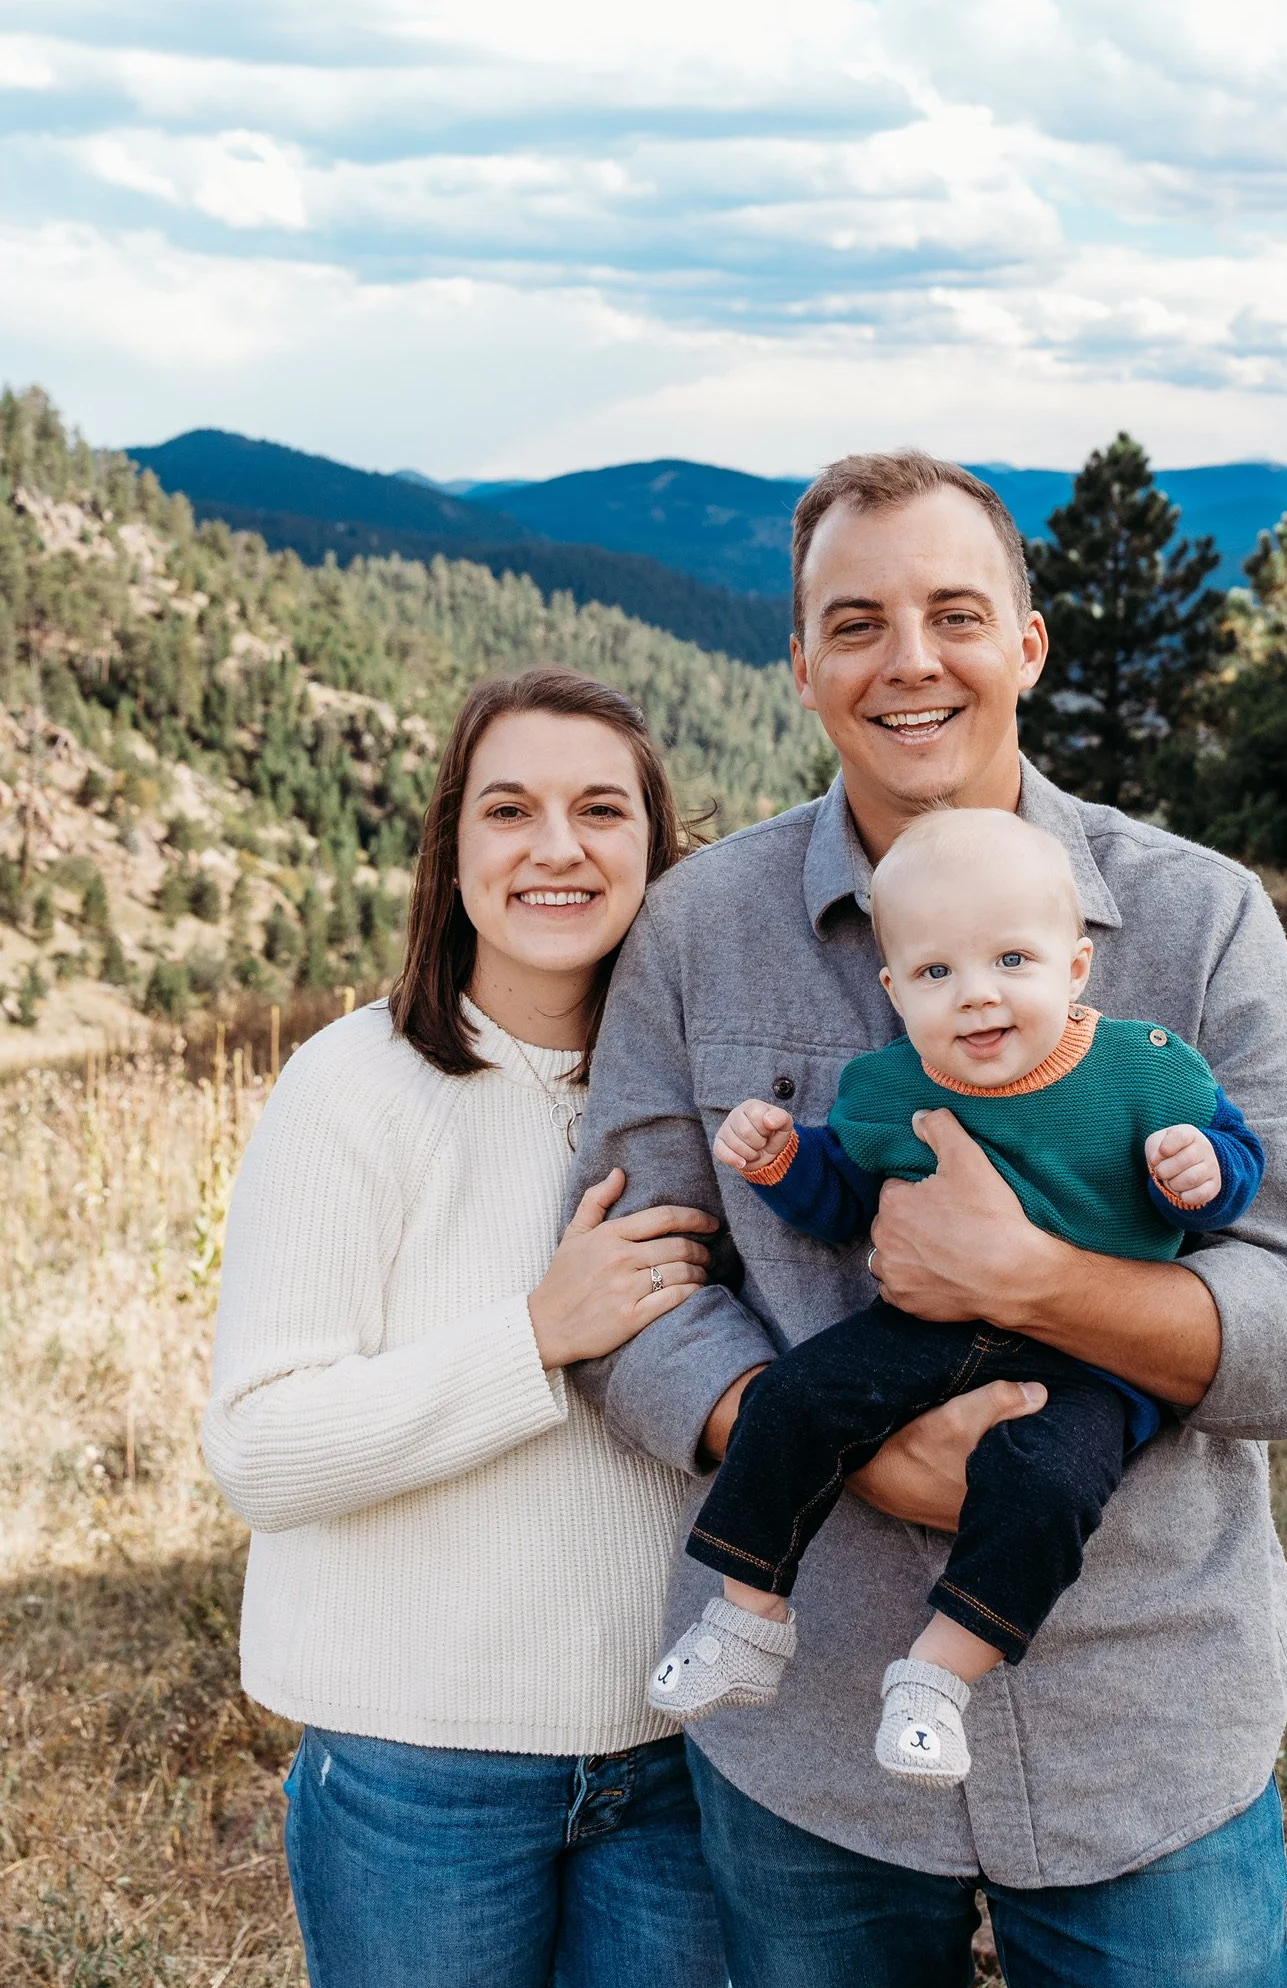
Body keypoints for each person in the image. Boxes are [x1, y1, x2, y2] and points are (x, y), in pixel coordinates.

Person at [568, 451, 1287, 1988]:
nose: (910, 661)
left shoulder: (1199, 923)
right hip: (811, 1747)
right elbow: (638, 1282)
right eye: (855, 623)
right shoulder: (695, 931)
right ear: (799, 665)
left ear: (1029, 642)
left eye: (953, 614)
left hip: (1148, 1723)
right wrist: (818, 1433)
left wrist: (1039, 1280)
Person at [202, 666, 728, 1988]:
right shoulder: (354, 1085)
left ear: (658, 850)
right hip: (420, 1773)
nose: (559, 848)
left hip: (677, 1762)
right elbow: (261, 1448)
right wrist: (536, 1335)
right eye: (511, 811)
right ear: (453, 848)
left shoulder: (709, 1097)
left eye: (602, 811)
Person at [649, 810, 1264, 1791]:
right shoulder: (889, 1086)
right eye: (936, 974)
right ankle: (747, 1613)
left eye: (1011, 960)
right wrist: (782, 1160)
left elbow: (1238, 1164)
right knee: (794, 1396)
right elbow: (840, 1195)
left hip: (1092, 1354)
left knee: (1049, 1486)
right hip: (928, 1326)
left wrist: (1200, 1169)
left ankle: (940, 1674)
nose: (976, 997)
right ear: (895, 991)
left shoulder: (1146, 1070)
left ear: (1075, 969)